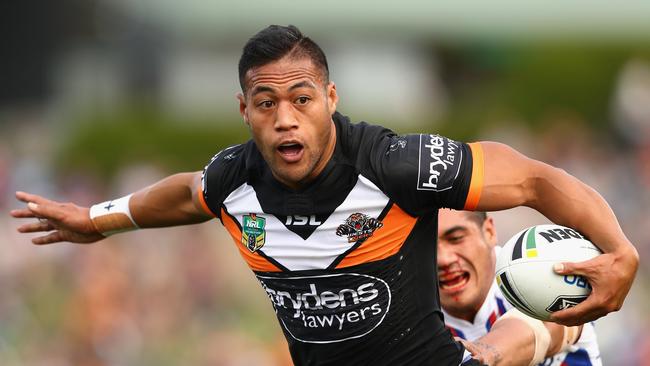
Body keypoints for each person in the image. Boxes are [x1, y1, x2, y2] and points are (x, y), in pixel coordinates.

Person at [10, 24, 638, 366]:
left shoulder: (396, 165)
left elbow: (530, 178)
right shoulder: (236, 180)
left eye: (302, 100)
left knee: (531, 341)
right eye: (266, 104)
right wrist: (98, 220)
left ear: (330, 100)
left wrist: (618, 252)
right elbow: (184, 196)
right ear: (245, 110)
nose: (286, 119)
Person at [437, 209, 601, 365]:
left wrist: (481, 353)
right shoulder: (414, 314)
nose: (443, 259)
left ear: (489, 232)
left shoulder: (540, 265)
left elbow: (547, 327)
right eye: (427, 247)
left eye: (456, 238)